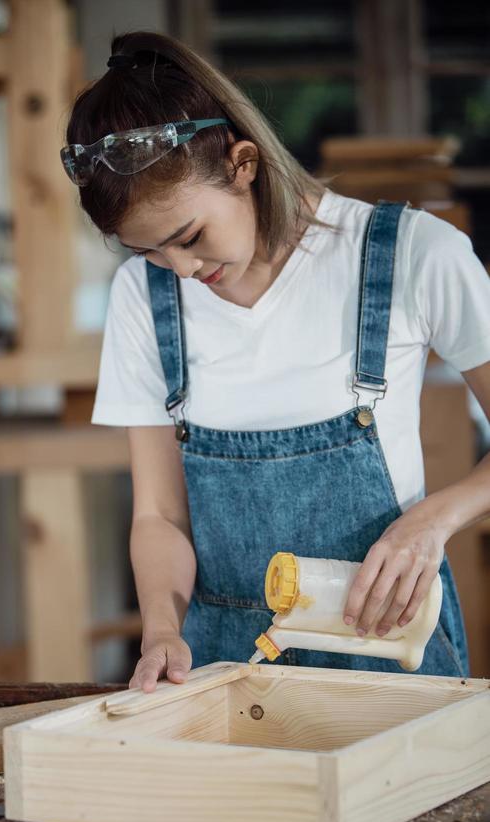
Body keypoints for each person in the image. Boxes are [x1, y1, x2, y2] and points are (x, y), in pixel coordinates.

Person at [61, 32, 490, 700]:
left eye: (189, 238)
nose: (180, 270)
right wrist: (161, 629)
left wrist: (432, 521)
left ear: (243, 163)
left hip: (386, 653)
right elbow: (160, 519)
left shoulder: (414, 255)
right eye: (147, 251)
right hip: (225, 670)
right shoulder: (141, 301)